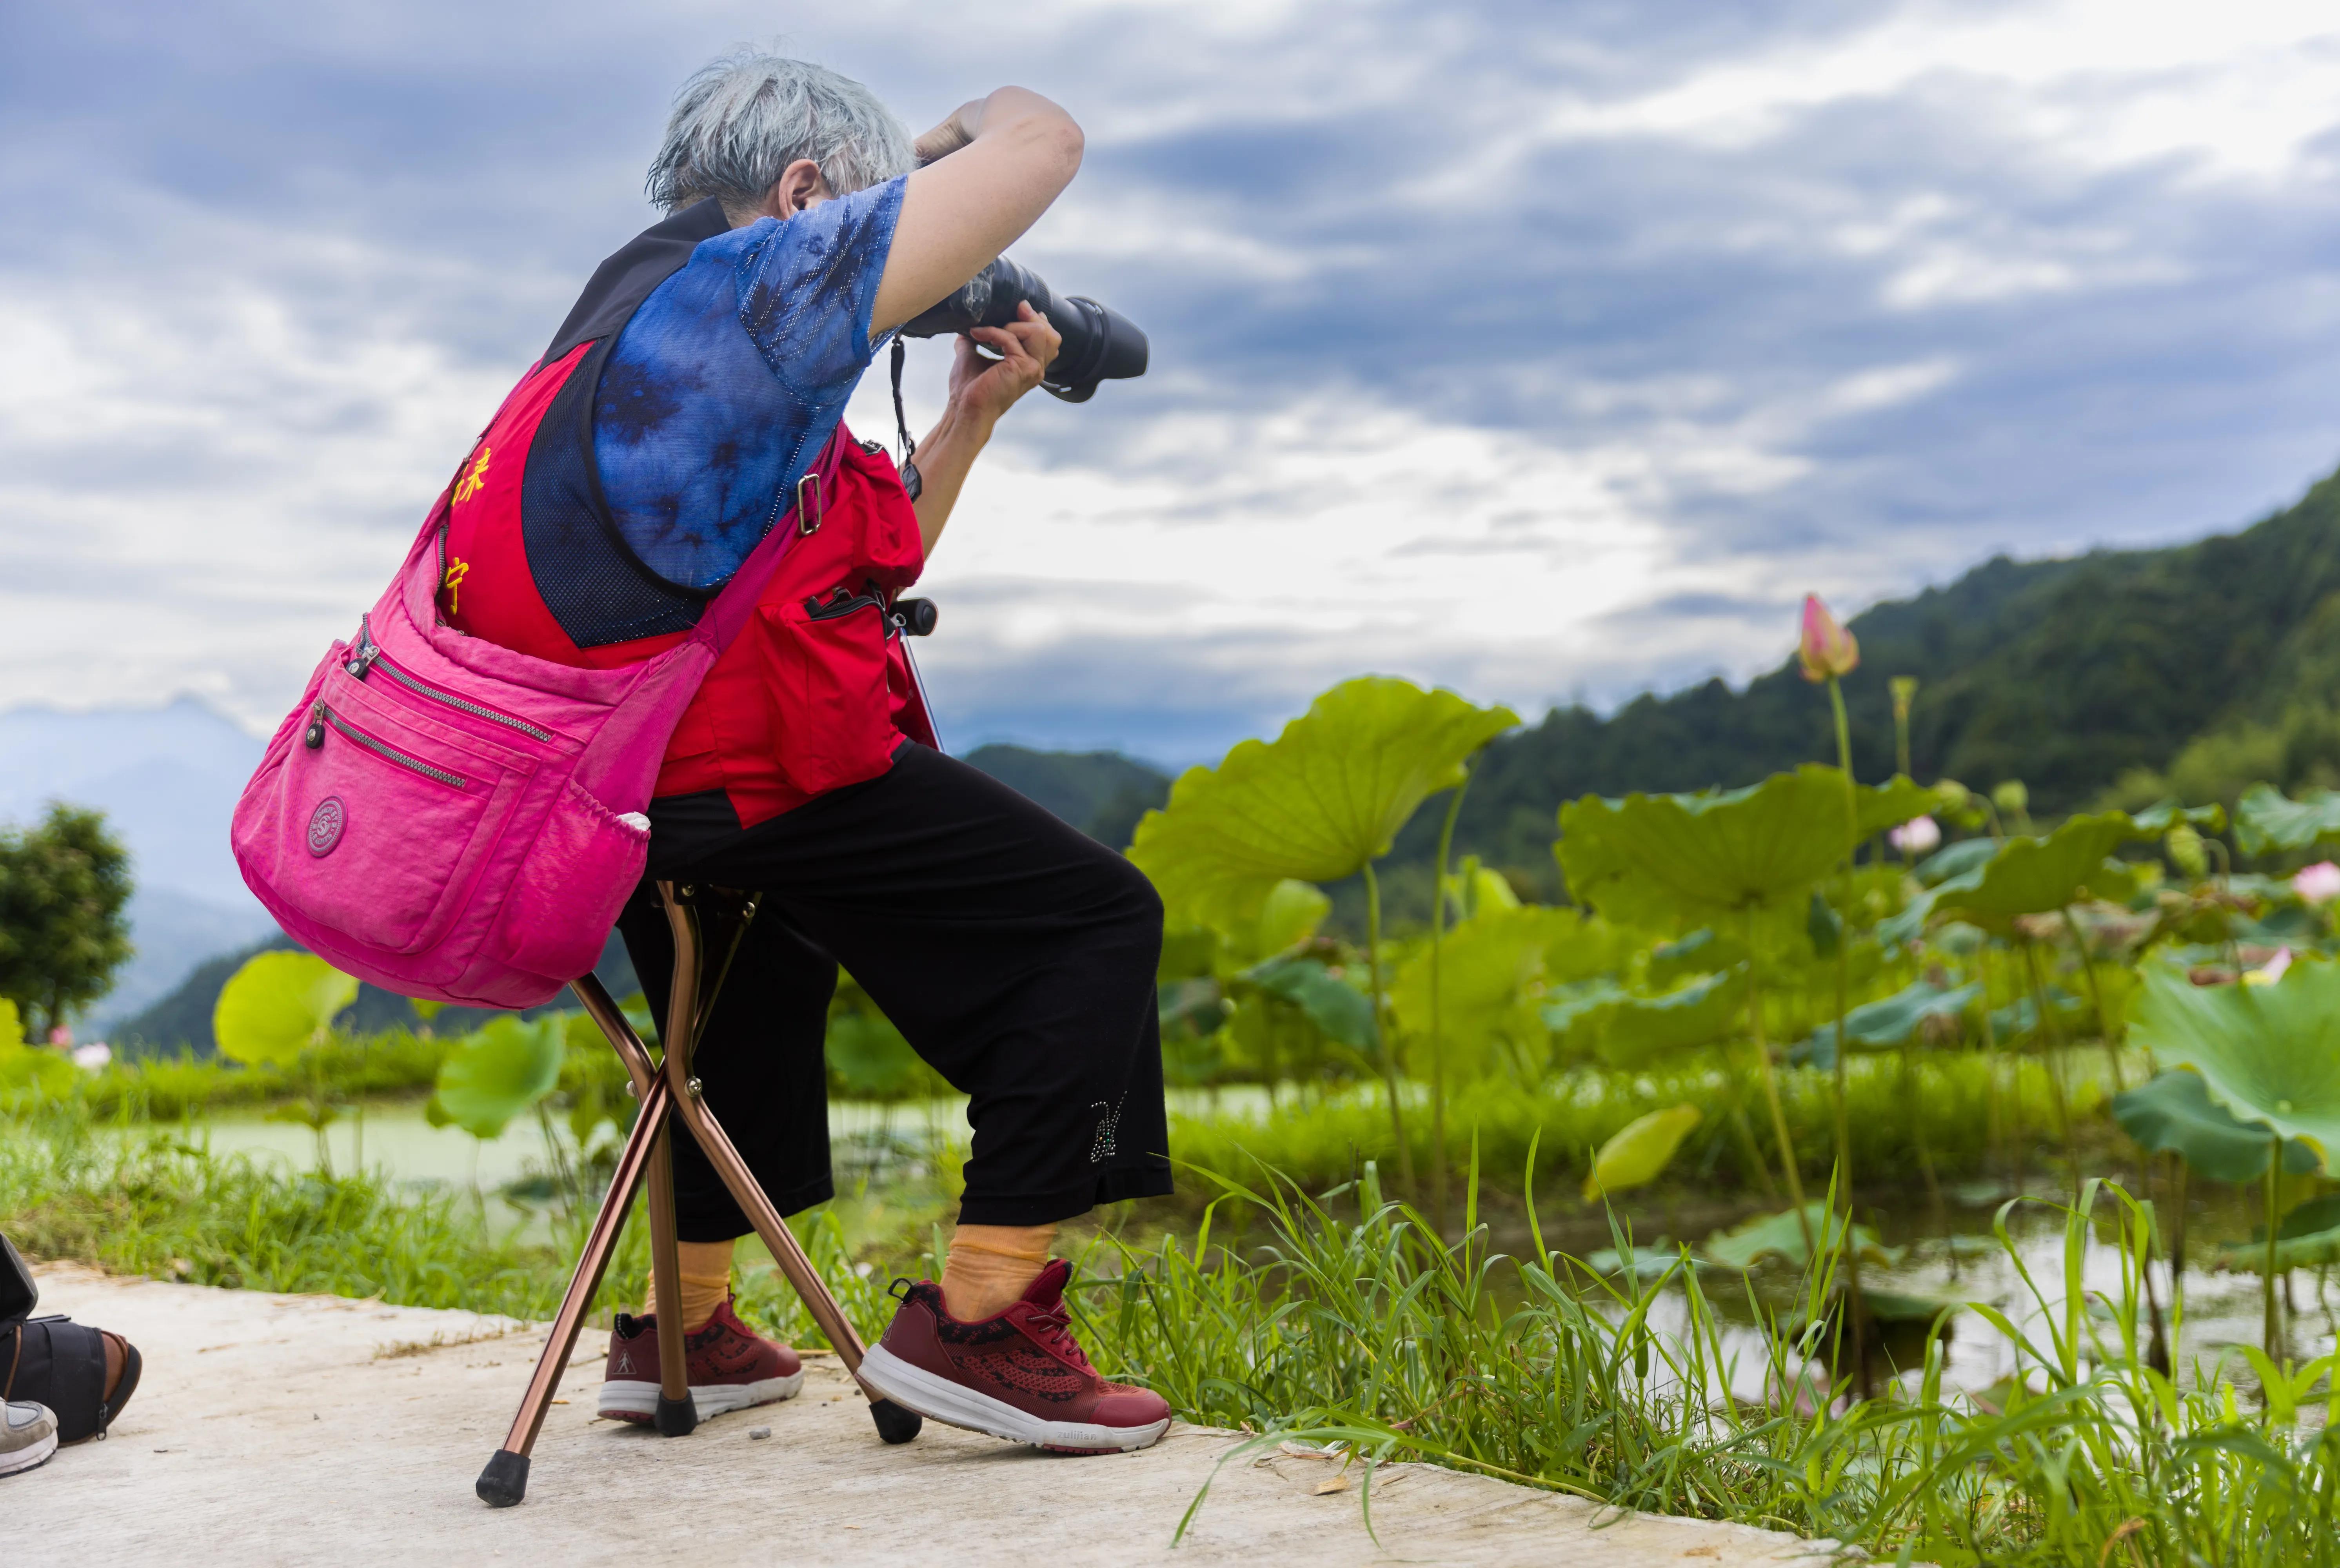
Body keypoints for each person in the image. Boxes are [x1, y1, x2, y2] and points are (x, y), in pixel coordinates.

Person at [437, 50, 1172, 1453]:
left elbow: (856, 583)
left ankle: (687, 1328)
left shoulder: (638, 328)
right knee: (1093, 920)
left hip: (620, 790)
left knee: (747, 998)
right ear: (802, 197)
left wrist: (966, 415)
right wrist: (972, 130)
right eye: (878, 220)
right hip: (738, 773)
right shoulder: (745, 293)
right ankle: (986, 1317)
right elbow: (1050, 141)